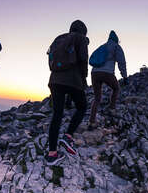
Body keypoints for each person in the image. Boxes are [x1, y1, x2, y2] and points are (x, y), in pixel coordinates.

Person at [45, 20, 89, 165]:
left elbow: (50, 61)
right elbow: (83, 60)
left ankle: (52, 154)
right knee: (82, 107)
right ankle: (68, 136)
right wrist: (84, 79)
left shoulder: (59, 39)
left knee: (57, 114)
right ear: (83, 31)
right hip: (73, 80)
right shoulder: (81, 38)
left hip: (55, 80)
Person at [89, 30, 127, 128]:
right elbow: (121, 62)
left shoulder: (102, 46)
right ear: (117, 40)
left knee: (97, 98)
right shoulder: (116, 47)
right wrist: (125, 76)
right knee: (116, 88)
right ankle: (112, 108)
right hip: (107, 73)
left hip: (94, 73)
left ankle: (91, 121)